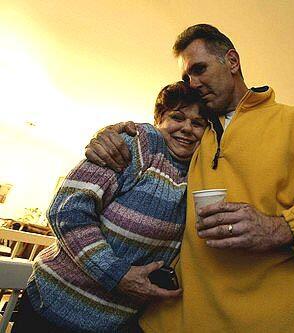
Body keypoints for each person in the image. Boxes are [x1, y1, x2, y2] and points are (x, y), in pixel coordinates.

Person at [85, 24, 294, 332]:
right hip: (173, 319)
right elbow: (149, 141)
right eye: (186, 77)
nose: (192, 83)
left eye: (200, 69)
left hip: (270, 322)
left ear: (232, 61)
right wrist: (110, 134)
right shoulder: (195, 131)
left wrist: (279, 228)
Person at [12, 82, 208, 332]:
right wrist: (116, 274)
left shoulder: (200, 171)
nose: (187, 129)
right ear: (158, 118)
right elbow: (67, 210)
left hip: (117, 323)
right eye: (177, 117)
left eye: (198, 123)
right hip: (53, 307)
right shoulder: (137, 143)